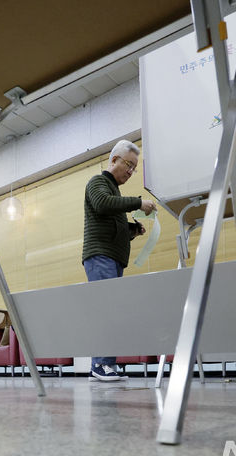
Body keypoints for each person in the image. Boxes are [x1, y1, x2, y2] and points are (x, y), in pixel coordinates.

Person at [82, 140, 156, 382]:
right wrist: (138, 203)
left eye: (134, 167)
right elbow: (102, 205)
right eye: (128, 164)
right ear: (113, 160)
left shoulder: (115, 191)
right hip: (100, 256)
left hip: (112, 258)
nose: (130, 171)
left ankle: (104, 366)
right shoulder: (98, 183)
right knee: (106, 311)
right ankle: (101, 365)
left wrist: (132, 230)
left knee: (110, 311)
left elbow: (111, 221)